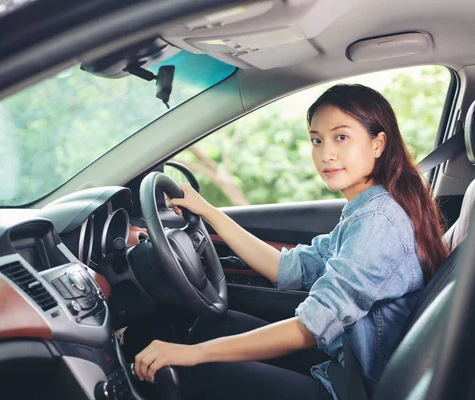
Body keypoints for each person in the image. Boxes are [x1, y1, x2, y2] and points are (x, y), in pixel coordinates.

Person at [133, 84, 448, 399]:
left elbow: (313, 327)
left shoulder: (379, 222)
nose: (326, 154)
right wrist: (208, 212)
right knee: (215, 324)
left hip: (352, 388)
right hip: (342, 362)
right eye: (316, 140)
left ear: (378, 143)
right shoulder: (367, 211)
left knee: (191, 366)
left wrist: (194, 354)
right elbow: (287, 268)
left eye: (341, 137)